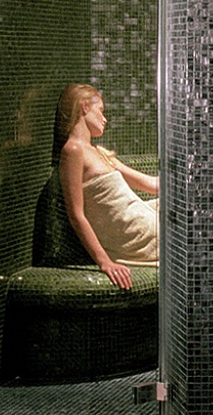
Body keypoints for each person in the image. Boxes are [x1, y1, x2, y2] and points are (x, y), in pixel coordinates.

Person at [54, 83, 159, 289]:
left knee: (191, 208)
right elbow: (76, 215)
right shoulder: (73, 150)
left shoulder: (99, 153)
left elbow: (151, 185)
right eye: (100, 110)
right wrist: (104, 262)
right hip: (137, 235)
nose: (105, 119)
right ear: (85, 107)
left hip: (142, 218)